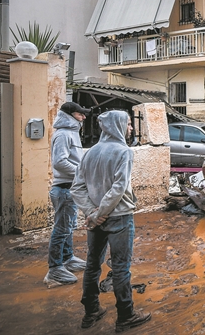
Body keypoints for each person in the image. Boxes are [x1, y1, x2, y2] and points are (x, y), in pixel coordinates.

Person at [71, 110, 151, 332]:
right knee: (121, 268)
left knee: (92, 265)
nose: (131, 128)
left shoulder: (90, 152)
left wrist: (92, 213)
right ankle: (126, 316)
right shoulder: (124, 152)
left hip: (96, 221)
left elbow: (76, 187)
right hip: (118, 217)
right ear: (117, 126)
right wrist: (98, 213)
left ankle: (91, 311)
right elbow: (119, 187)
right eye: (127, 124)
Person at [44, 102, 90, 288]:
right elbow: (60, 163)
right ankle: (54, 269)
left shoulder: (72, 133)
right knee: (61, 229)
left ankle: (68, 259)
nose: (84, 117)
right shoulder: (63, 134)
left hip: (70, 188)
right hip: (63, 188)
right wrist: (82, 172)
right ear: (70, 115)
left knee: (69, 226)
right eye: (81, 114)